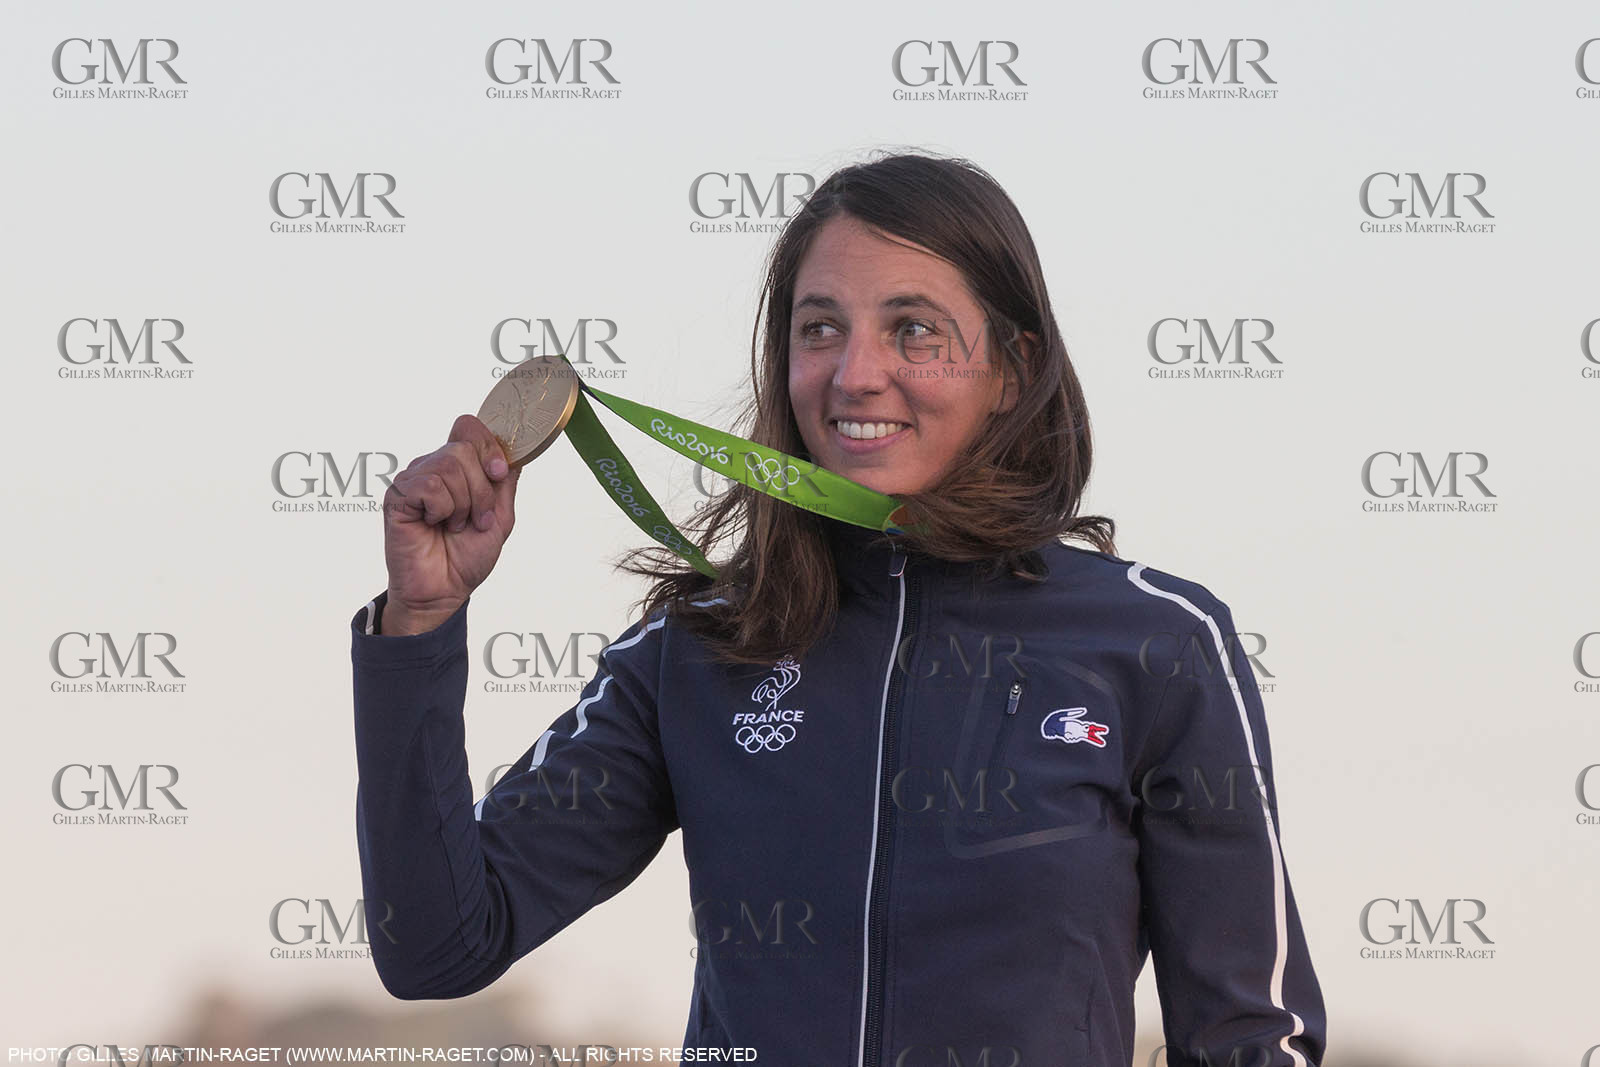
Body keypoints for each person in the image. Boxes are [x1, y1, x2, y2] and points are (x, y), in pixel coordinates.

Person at [350, 150, 1327, 1066]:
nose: (856, 372)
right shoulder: (697, 650)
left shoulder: (1155, 640)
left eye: (914, 329)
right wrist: (419, 624)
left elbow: (1251, 1032)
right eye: (820, 328)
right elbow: (435, 944)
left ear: (1013, 371)